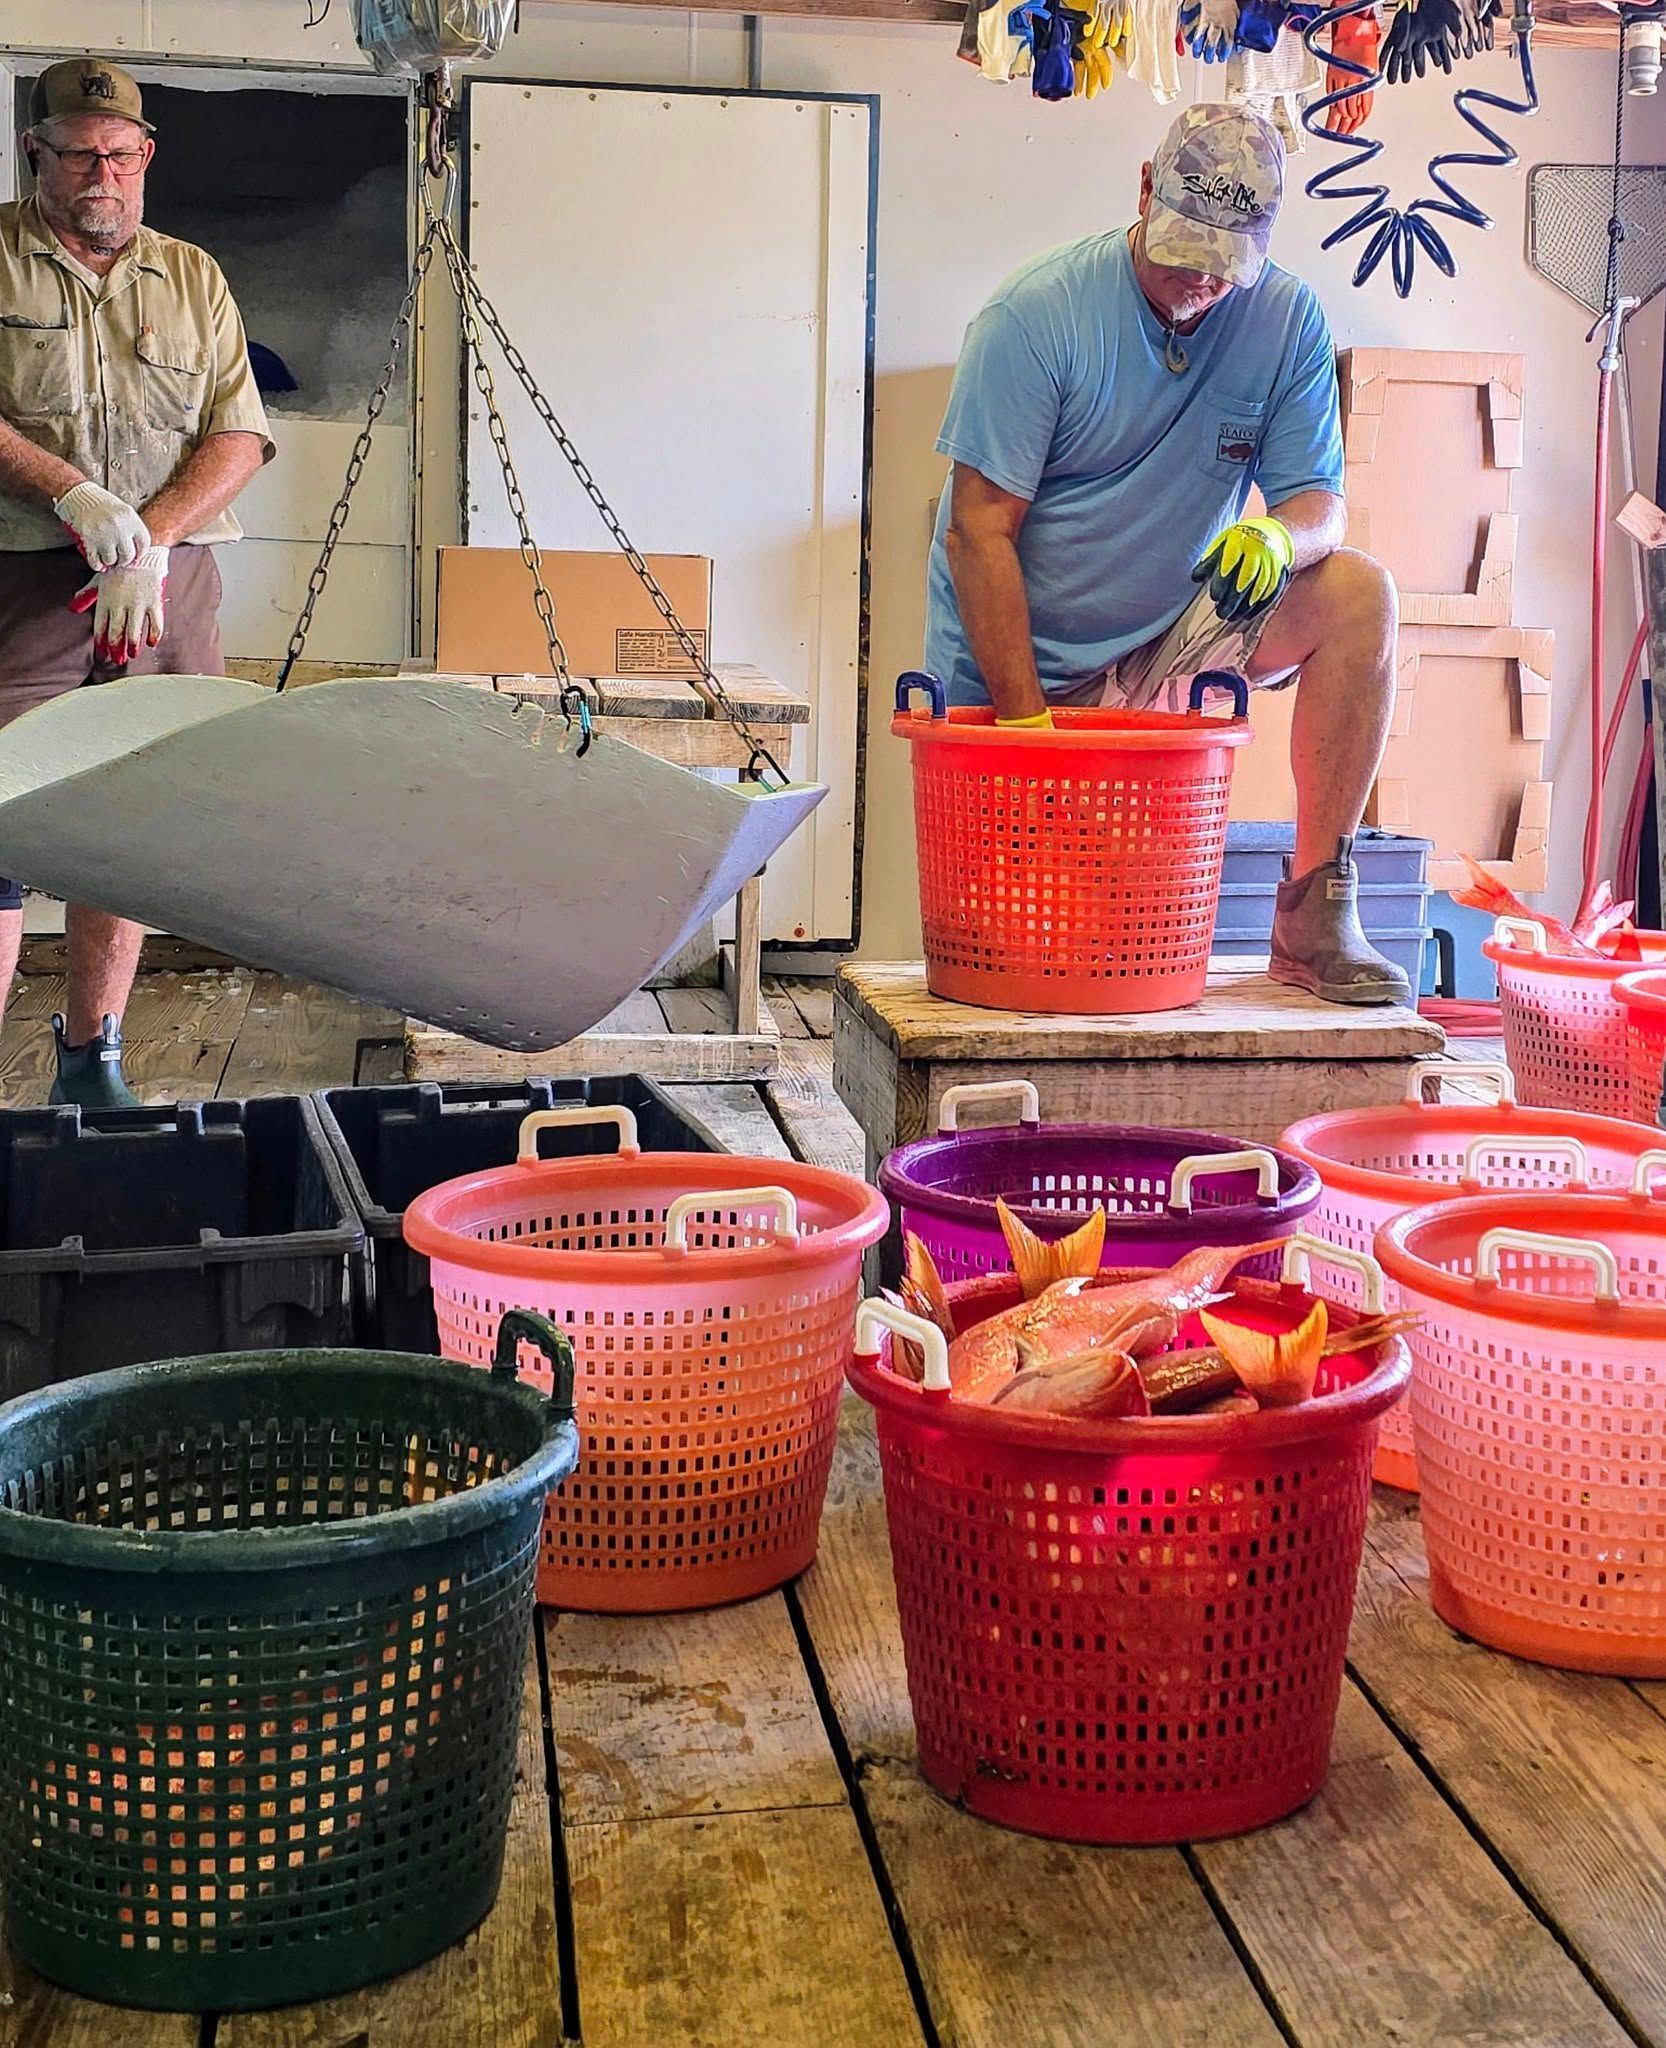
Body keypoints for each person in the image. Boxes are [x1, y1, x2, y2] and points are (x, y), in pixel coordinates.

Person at [924, 102, 1404, 1005]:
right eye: (1183, 252)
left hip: (1176, 633)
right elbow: (976, 531)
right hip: (1032, 665)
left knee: (1358, 594)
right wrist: (1026, 731)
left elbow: (1320, 504)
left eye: (1225, 265)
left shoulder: (1286, 319)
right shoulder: (1036, 316)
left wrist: (1279, 533)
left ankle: (1315, 915)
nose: (1200, 282)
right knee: (1051, 957)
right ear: (1144, 190)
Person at [0, 57, 273, 1104]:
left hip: (167, 582)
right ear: (39, 154)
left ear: (146, 156)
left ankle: (92, 1058)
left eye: (119, 155)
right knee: (5, 818)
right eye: (77, 155)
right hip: (22, 576)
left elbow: (239, 434)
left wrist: (149, 538)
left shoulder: (193, 277)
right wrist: (77, 496)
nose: (100, 175)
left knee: (137, 812)